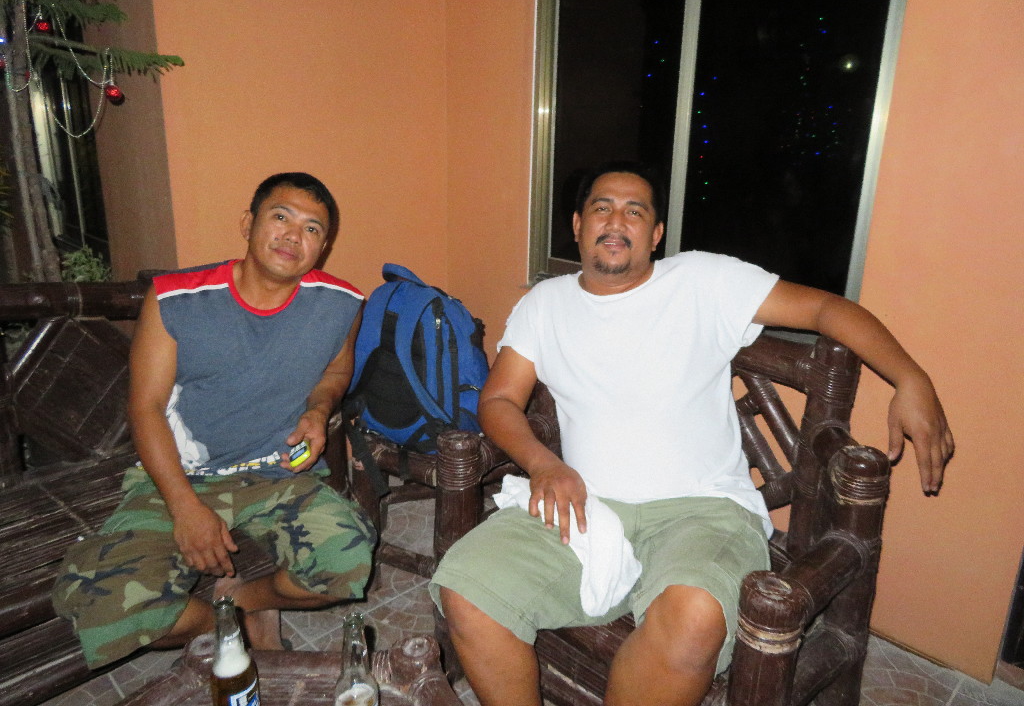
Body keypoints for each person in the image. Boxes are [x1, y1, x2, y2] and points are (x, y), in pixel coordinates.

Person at [429, 161, 954, 706]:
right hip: (584, 505)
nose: (616, 221)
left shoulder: (703, 281)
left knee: (694, 616)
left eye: (635, 211)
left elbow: (825, 308)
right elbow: (498, 401)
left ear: (656, 234)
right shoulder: (545, 304)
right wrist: (544, 464)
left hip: (703, 512)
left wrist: (910, 378)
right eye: (602, 208)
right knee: (467, 588)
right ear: (578, 225)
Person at [52, 172, 376, 670]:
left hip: (278, 473)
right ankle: (229, 627)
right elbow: (145, 408)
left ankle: (246, 600)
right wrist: (184, 507)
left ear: (324, 245)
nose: (294, 236)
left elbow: (336, 370)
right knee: (108, 608)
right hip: (181, 477)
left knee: (347, 565)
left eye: (312, 229)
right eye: (281, 217)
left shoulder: (342, 303)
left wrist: (318, 409)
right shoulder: (175, 300)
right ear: (248, 223)